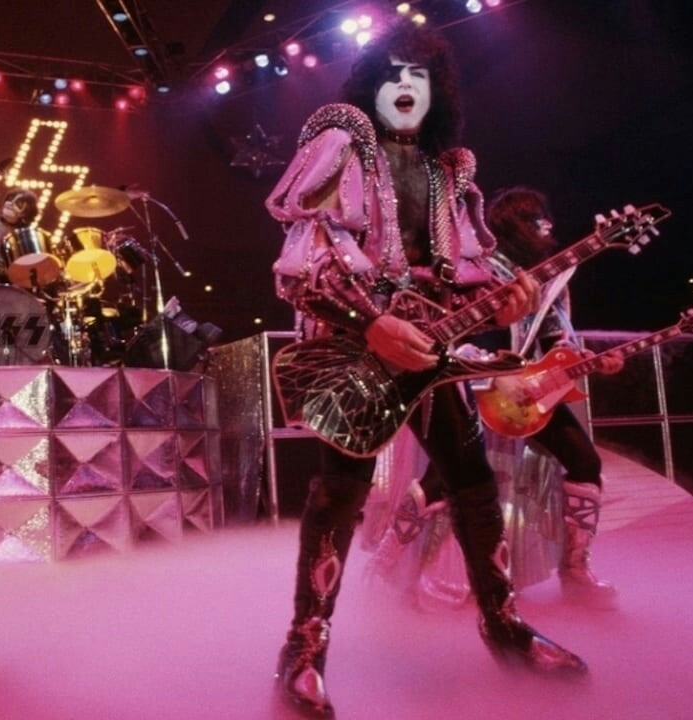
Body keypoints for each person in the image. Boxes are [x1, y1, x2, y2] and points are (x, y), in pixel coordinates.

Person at [265, 21, 587, 718]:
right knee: (339, 492)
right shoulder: (343, 143)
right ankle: (305, 647)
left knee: (471, 481)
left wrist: (506, 294)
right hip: (355, 348)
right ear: (369, 85)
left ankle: (504, 625)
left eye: (419, 74)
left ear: (438, 90)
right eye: (393, 72)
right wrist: (370, 322)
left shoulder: (449, 171)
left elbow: (464, 270)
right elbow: (303, 260)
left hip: (432, 350)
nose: (406, 85)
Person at [363, 187, 625, 610]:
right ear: (514, 223)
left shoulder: (551, 277)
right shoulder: (476, 266)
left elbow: (555, 343)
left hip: (524, 392)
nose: (548, 227)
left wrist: (591, 361)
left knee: (584, 462)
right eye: (537, 218)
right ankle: (390, 562)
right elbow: (446, 326)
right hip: (469, 380)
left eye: (546, 218)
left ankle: (575, 570)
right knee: (445, 481)